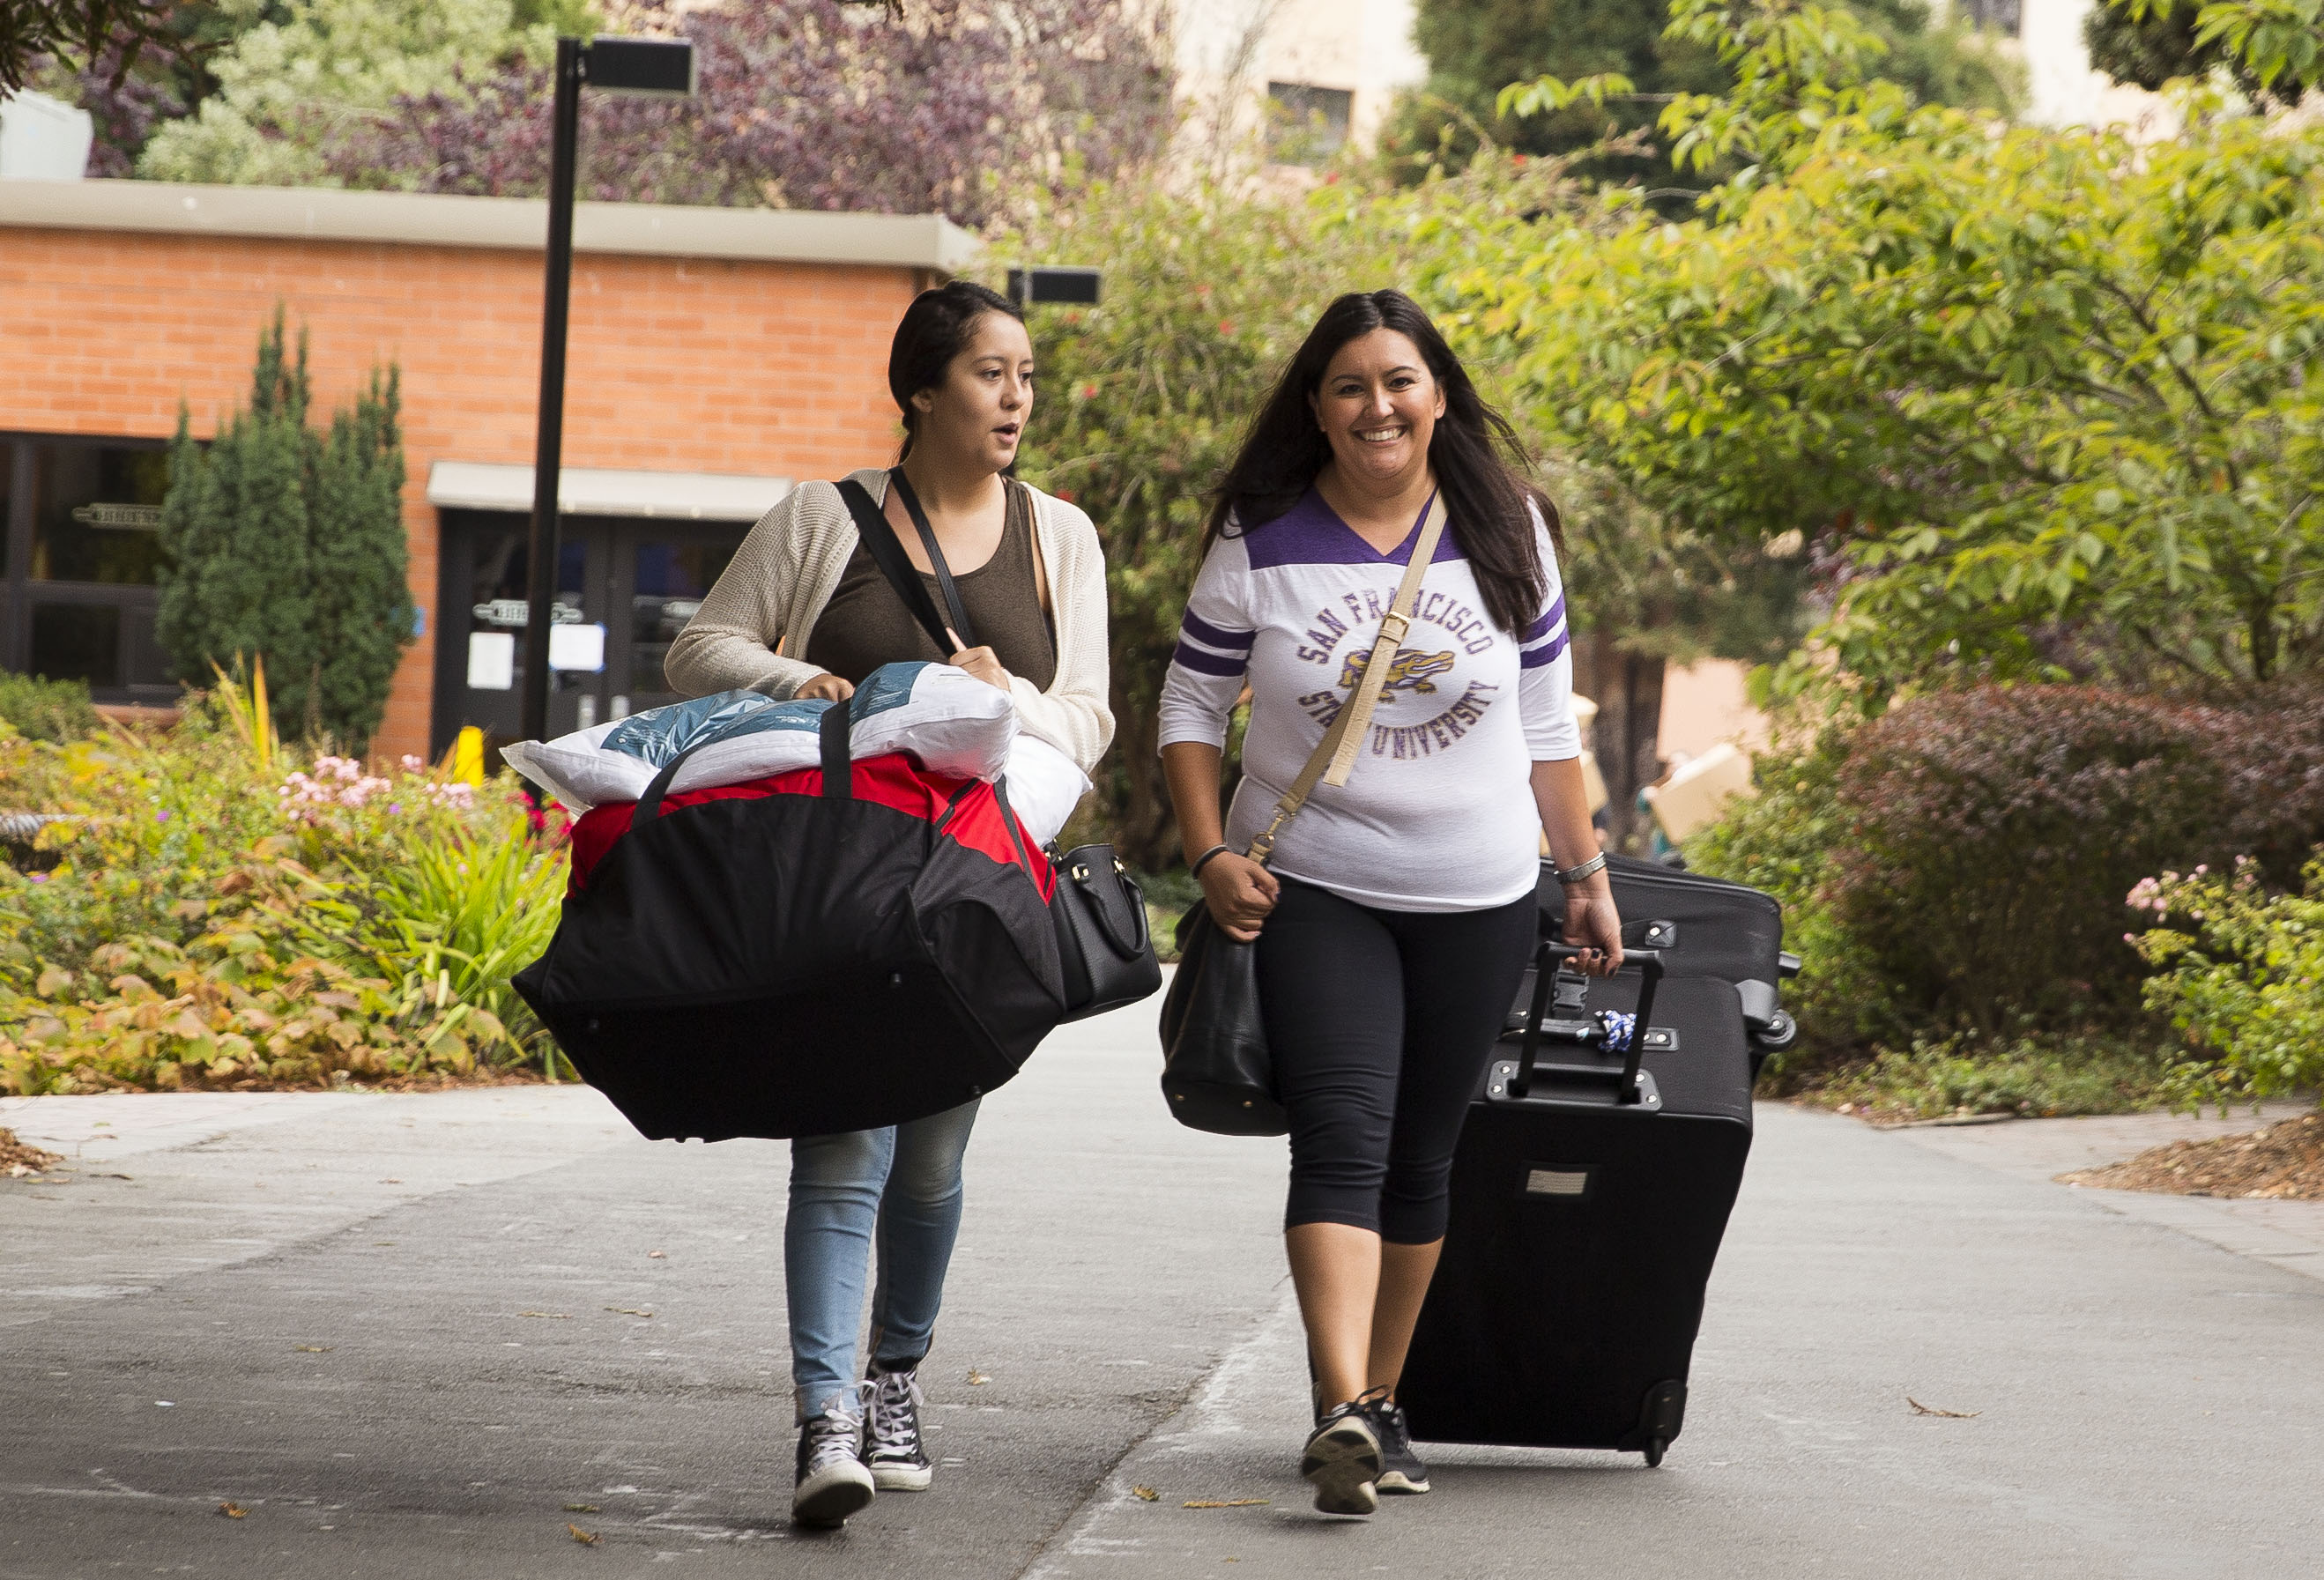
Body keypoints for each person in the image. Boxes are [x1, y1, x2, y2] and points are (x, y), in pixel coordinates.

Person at [1155, 289, 1621, 1517]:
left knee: (1423, 1157)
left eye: (1400, 381)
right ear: (1316, 407)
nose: (1378, 404)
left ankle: (1376, 1401)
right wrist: (1208, 852)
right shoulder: (1262, 536)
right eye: (1351, 384)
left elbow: (1540, 724)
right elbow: (1191, 710)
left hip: (1478, 893)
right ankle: (1340, 1409)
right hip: (1314, 888)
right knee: (1343, 1136)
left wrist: (1584, 876)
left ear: (1437, 397)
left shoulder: (1505, 530)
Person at [665, 279, 1113, 1527]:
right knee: (842, 1145)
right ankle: (826, 1419)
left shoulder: (1056, 537)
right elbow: (699, 648)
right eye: (989, 372)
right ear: (923, 390)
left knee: (929, 1159)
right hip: (839, 873)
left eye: (1025, 373)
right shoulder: (825, 516)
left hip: (973, 882)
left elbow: (1089, 718)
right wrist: (801, 673)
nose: (1015, 396)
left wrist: (999, 690)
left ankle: (894, 1371)